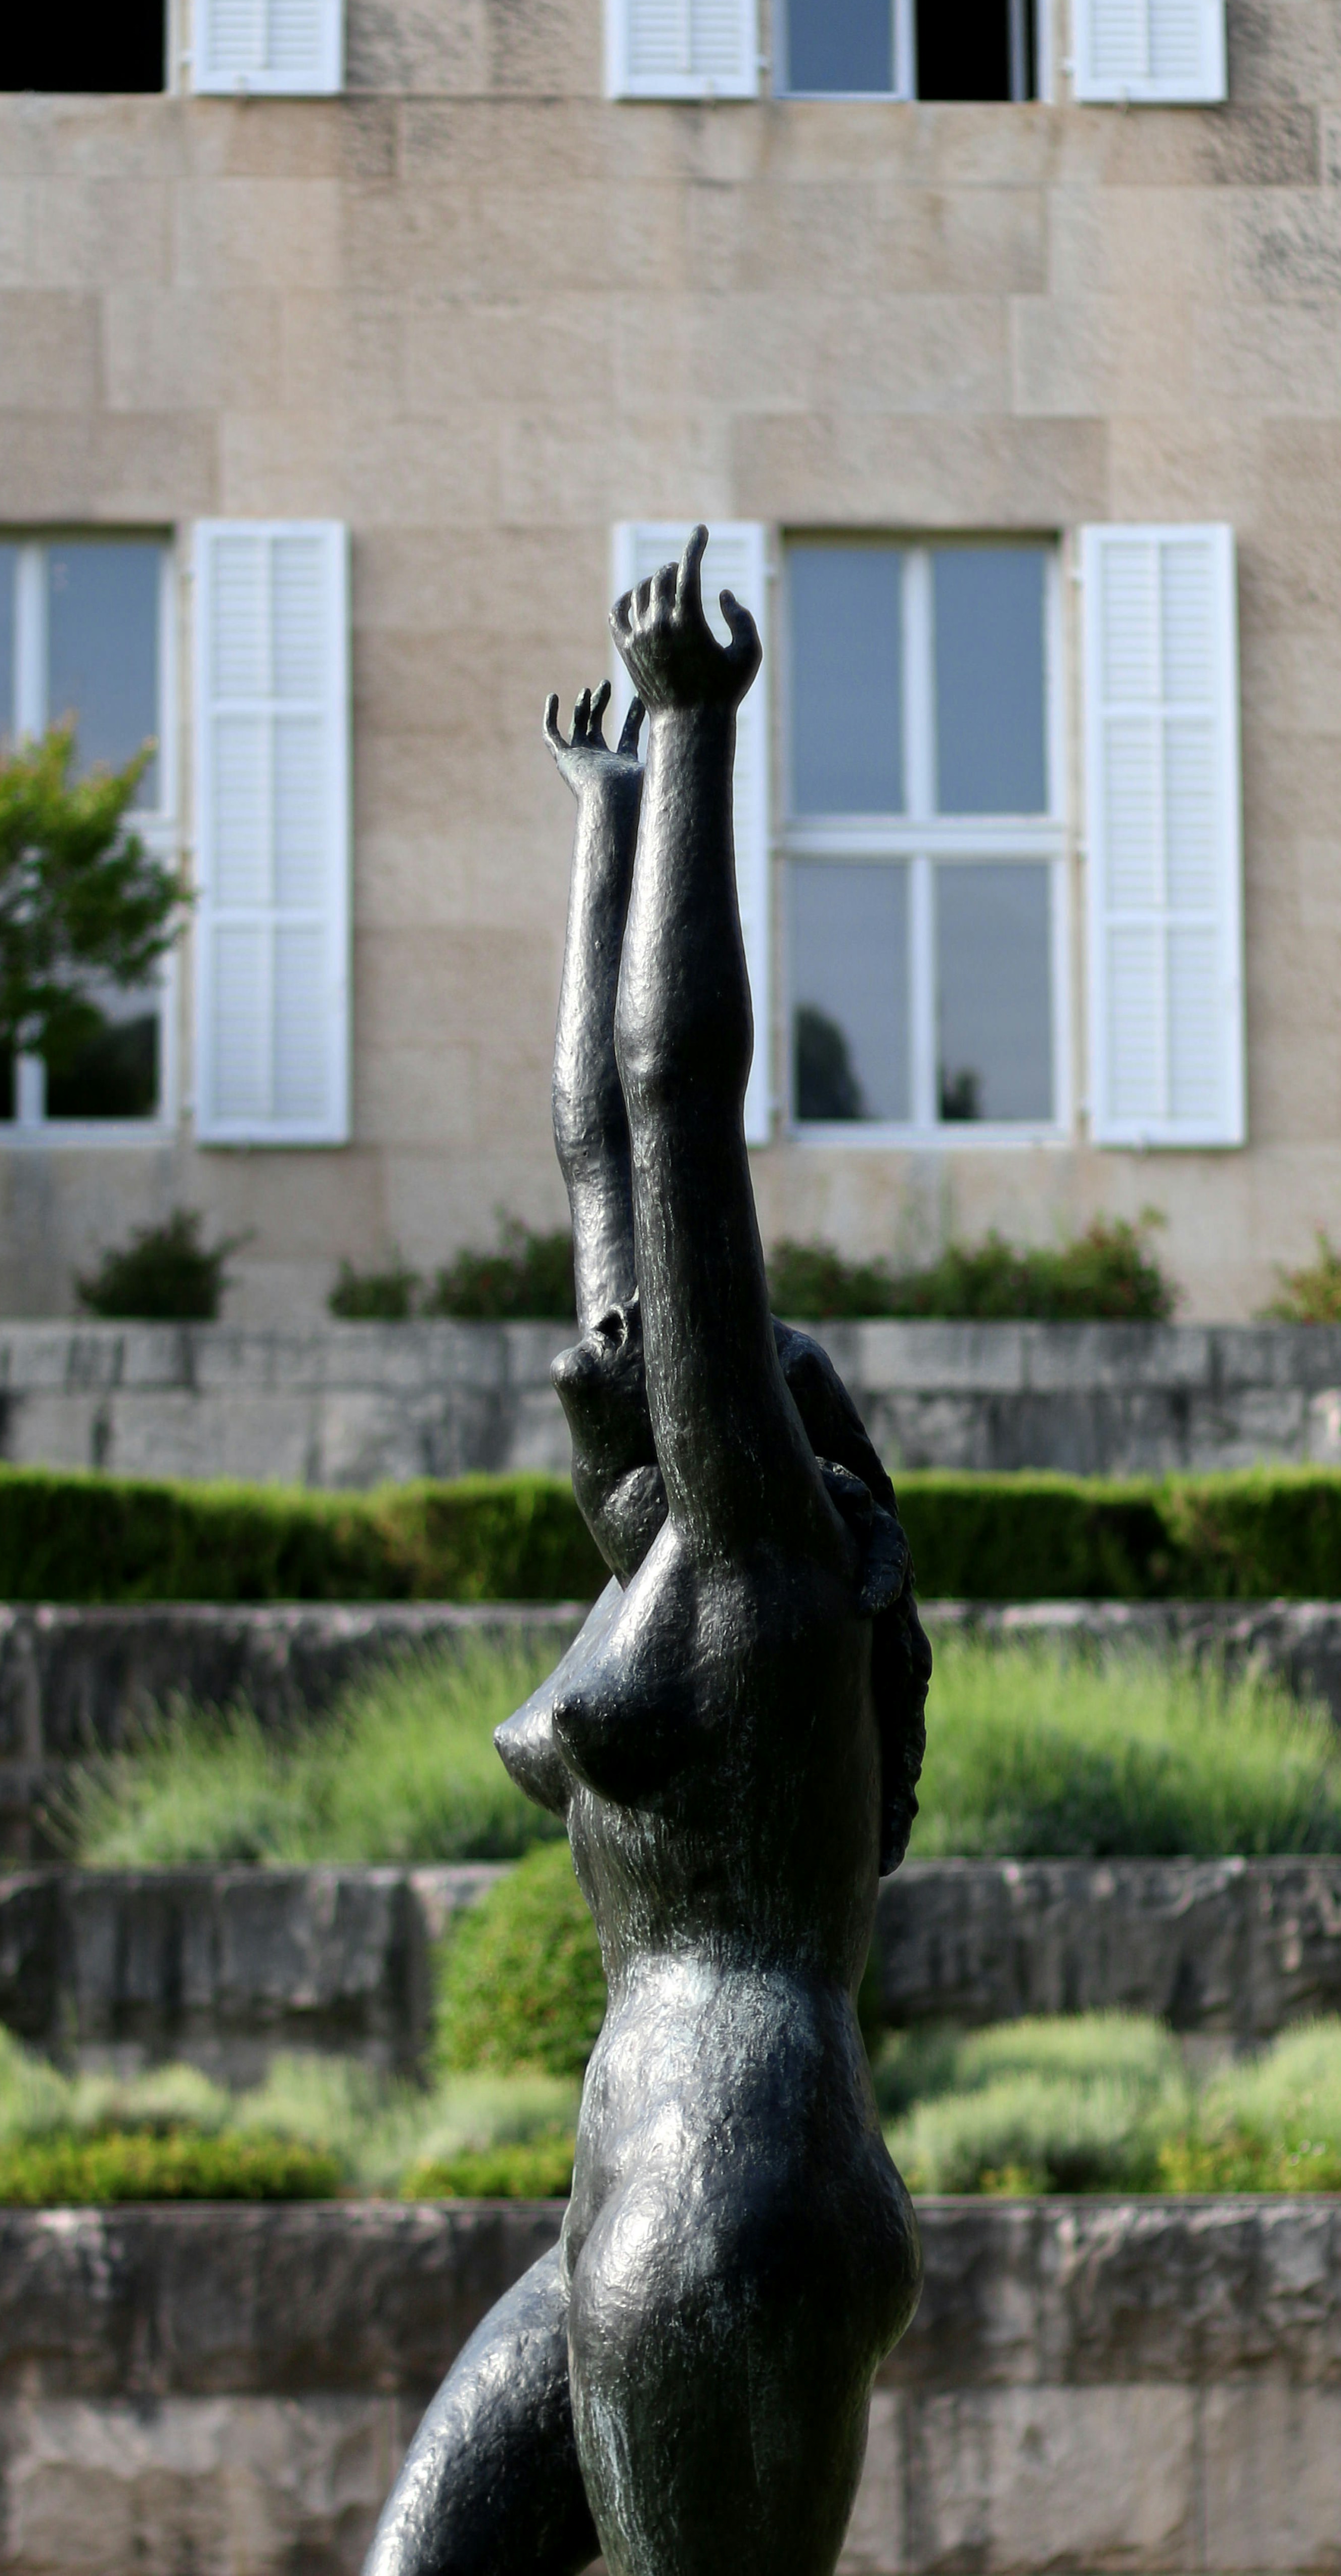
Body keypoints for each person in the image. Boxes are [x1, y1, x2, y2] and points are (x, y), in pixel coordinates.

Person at [363, 527, 930, 2576]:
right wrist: (604, 816)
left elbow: (678, 1111)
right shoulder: (666, 1568)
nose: (621, 1338)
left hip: (729, 2211)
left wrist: (699, 740)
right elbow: (595, 1147)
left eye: (684, 1346)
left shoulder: (759, 1560)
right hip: (639, 2194)